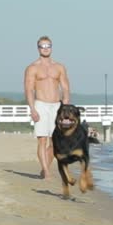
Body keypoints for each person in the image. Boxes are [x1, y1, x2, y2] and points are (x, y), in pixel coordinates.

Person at [23, 35, 71, 179]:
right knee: (42, 139)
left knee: (56, 142)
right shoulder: (32, 68)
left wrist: (66, 110)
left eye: (48, 46)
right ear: (38, 48)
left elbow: (66, 88)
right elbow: (29, 89)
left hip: (57, 106)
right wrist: (32, 109)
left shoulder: (59, 67)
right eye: (42, 46)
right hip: (41, 104)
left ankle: (45, 168)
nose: (45, 48)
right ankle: (46, 171)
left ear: (51, 47)